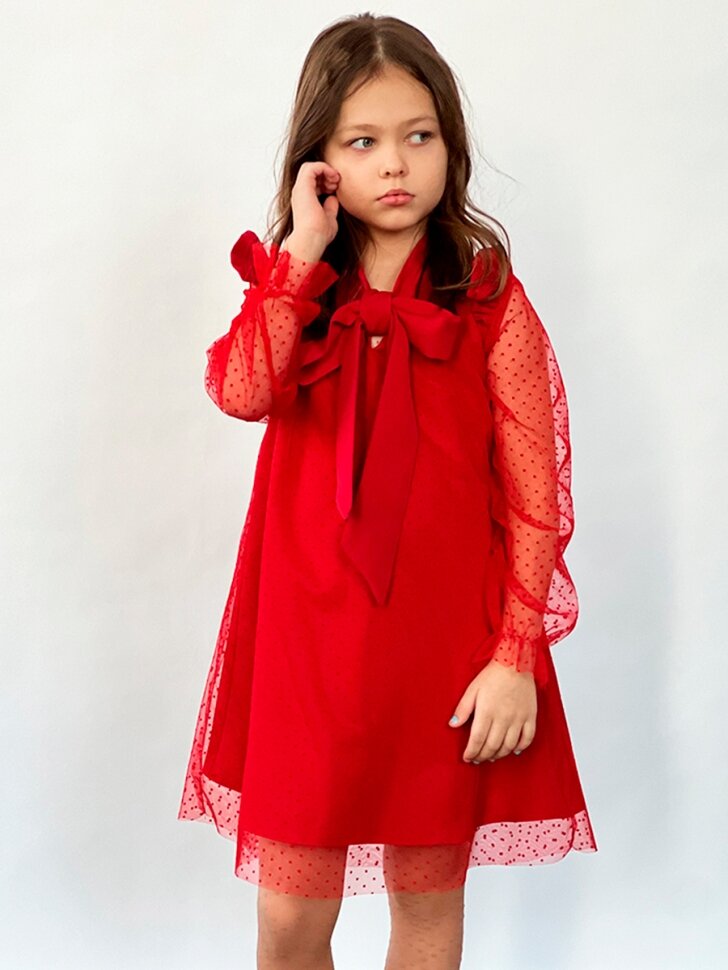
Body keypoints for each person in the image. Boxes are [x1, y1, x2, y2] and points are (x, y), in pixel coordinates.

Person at [178, 12, 597, 970]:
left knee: (427, 905)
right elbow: (241, 391)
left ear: (452, 142)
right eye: (362, 143)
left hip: (441, 654)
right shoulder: (295, 292)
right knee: (290, 922)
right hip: (307, 650)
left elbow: (537, 494)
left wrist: (515, 654)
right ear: (318, 160)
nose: (397, 164)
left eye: (420, 136)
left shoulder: (486, 297)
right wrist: (301, 253)